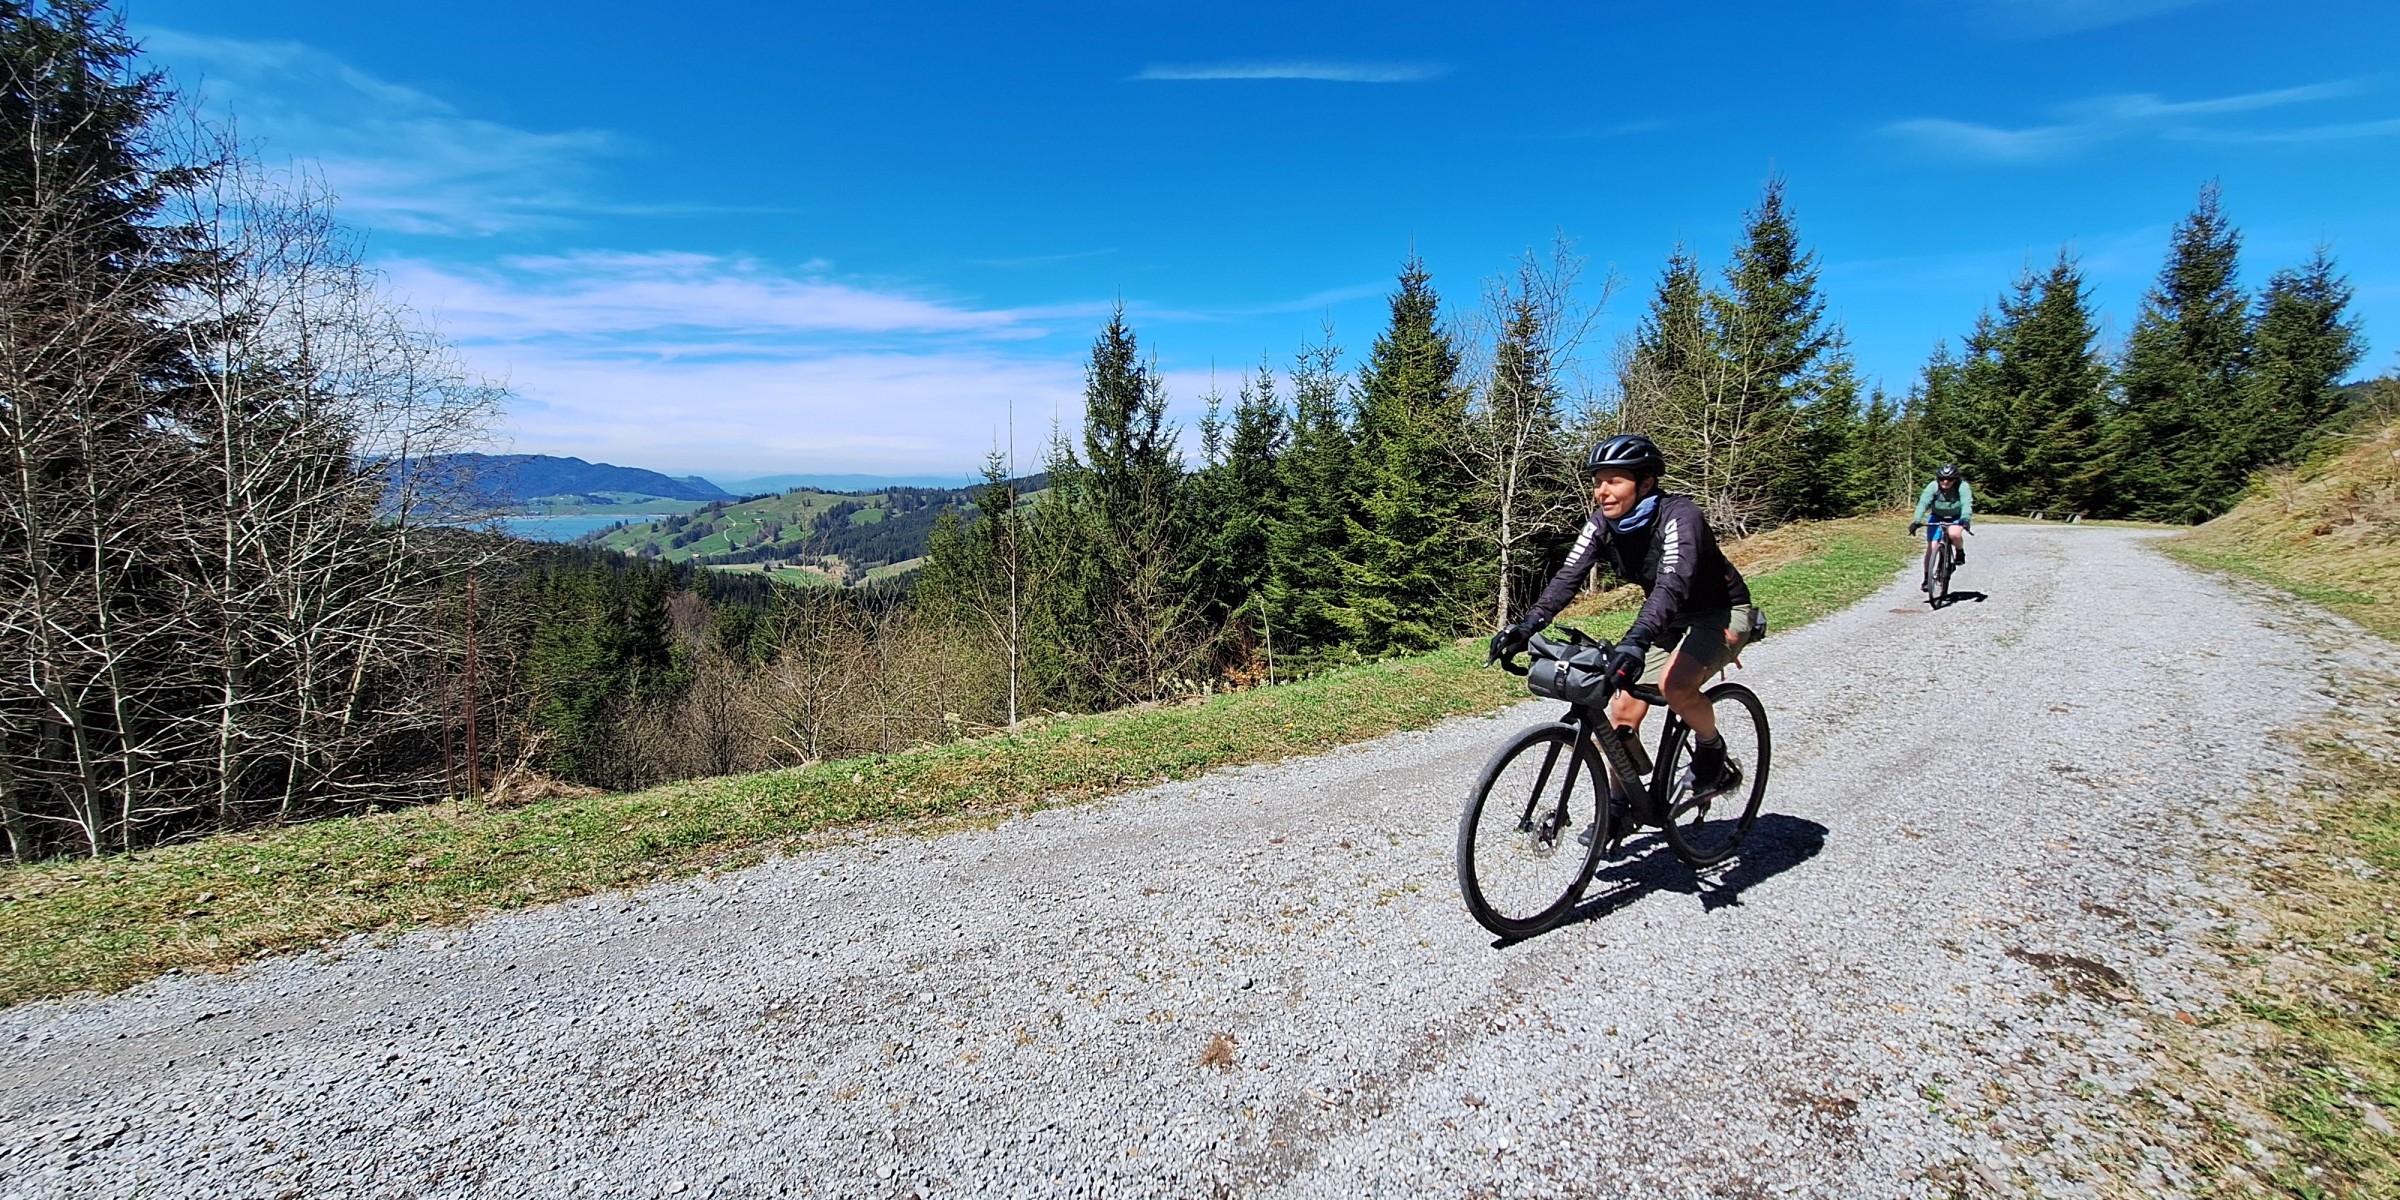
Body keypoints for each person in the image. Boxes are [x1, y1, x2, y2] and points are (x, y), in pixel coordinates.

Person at [1487, 433, 1759, 811]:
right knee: (1621, 706)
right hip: (1669, 614)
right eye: (1598, 481)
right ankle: (1620, 802)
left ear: (1645, 482)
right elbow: (1569, 575)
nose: (1603, 491)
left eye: (1615, 480)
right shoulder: (1602, 524)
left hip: (1722, 610)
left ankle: (1712, 752)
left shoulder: (1681, 516)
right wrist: (1528, 624)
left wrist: (1637, 640)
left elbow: (1672, 583)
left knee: (1675, 685)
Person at [1910, 463, 1974, 574]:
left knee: (1954, 534)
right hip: (1937, 516)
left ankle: (1959, 551)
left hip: (1956, 517)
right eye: (1942, 479)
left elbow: (1966, 504)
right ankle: (1927, 577)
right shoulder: (1933, 486)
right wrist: (1916, 521)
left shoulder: (1962, 486)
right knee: (1932, 547)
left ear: (1955, 479)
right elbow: (1923, 504)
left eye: (1949, 479)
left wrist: (1965, 518)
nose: (1945, 482)